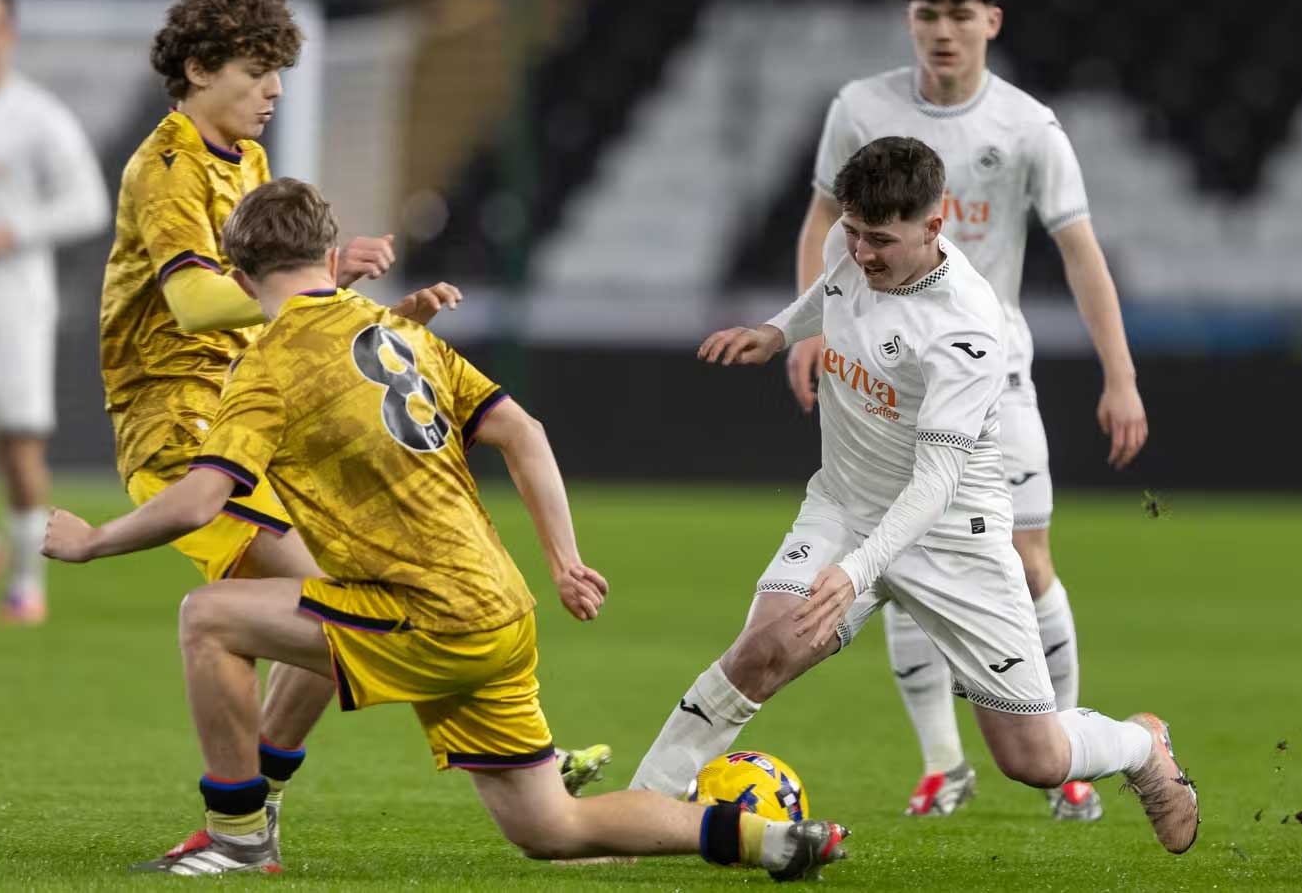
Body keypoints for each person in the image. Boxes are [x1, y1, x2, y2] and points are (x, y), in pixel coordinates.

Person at [44, 178, 848, 878]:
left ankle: (237, 836)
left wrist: (90, 541)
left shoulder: (267, 366)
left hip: (429, 613)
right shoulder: (402, 332)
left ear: (238, 276)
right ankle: (770, 840)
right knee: (548, 827)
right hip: (501, 608)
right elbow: (524, 430)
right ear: (331, 259)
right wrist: (564, 560)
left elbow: (197, 500)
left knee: (208, 617)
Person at [95, 0, 604, 858]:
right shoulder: (168, 165)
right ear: (198, 66)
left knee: (350, 594)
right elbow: (196, 306)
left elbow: (273, 299)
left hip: (254, 413)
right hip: (180, 423)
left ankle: (260, 807)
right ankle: (247, 823)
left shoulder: (246, 163)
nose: (275, 91)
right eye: (256, 72)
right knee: (319, 602)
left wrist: (335, 297)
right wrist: (322, 290)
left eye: (277, 72)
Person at [632, 136, 1196, 853]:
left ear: (934, 226)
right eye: (855, 231)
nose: (862, 251)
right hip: (843, 505)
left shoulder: (966, 329)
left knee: (1034, 757)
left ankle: (1141, 745)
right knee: (760, 652)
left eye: (881, 240)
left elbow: (936, 482)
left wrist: (858, 570)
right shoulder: (853, 241)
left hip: (952, 534)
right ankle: (641, 811)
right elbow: (832, 289)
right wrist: (777, 331)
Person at [787, 0, 1148, 819]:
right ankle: (943, 763)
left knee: (1026, 565)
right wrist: (808, 327)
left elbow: (1082, 254)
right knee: (900, 556)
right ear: (908, 20)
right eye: (925, 14)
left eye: (958, 14)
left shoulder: (1027, 126)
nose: (941, 31)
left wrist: (1121, 375)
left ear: (990, 20)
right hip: (880, 374)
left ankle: (1062, 747)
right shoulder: (859, 107)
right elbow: (821, 221)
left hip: (991, 375)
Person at [0, 0, 110, 622]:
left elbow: (89, 203)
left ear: (9, 32)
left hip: (12, 301)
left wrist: (14, 230)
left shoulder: (37, 117)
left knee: (19, 443)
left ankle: (26, 583)